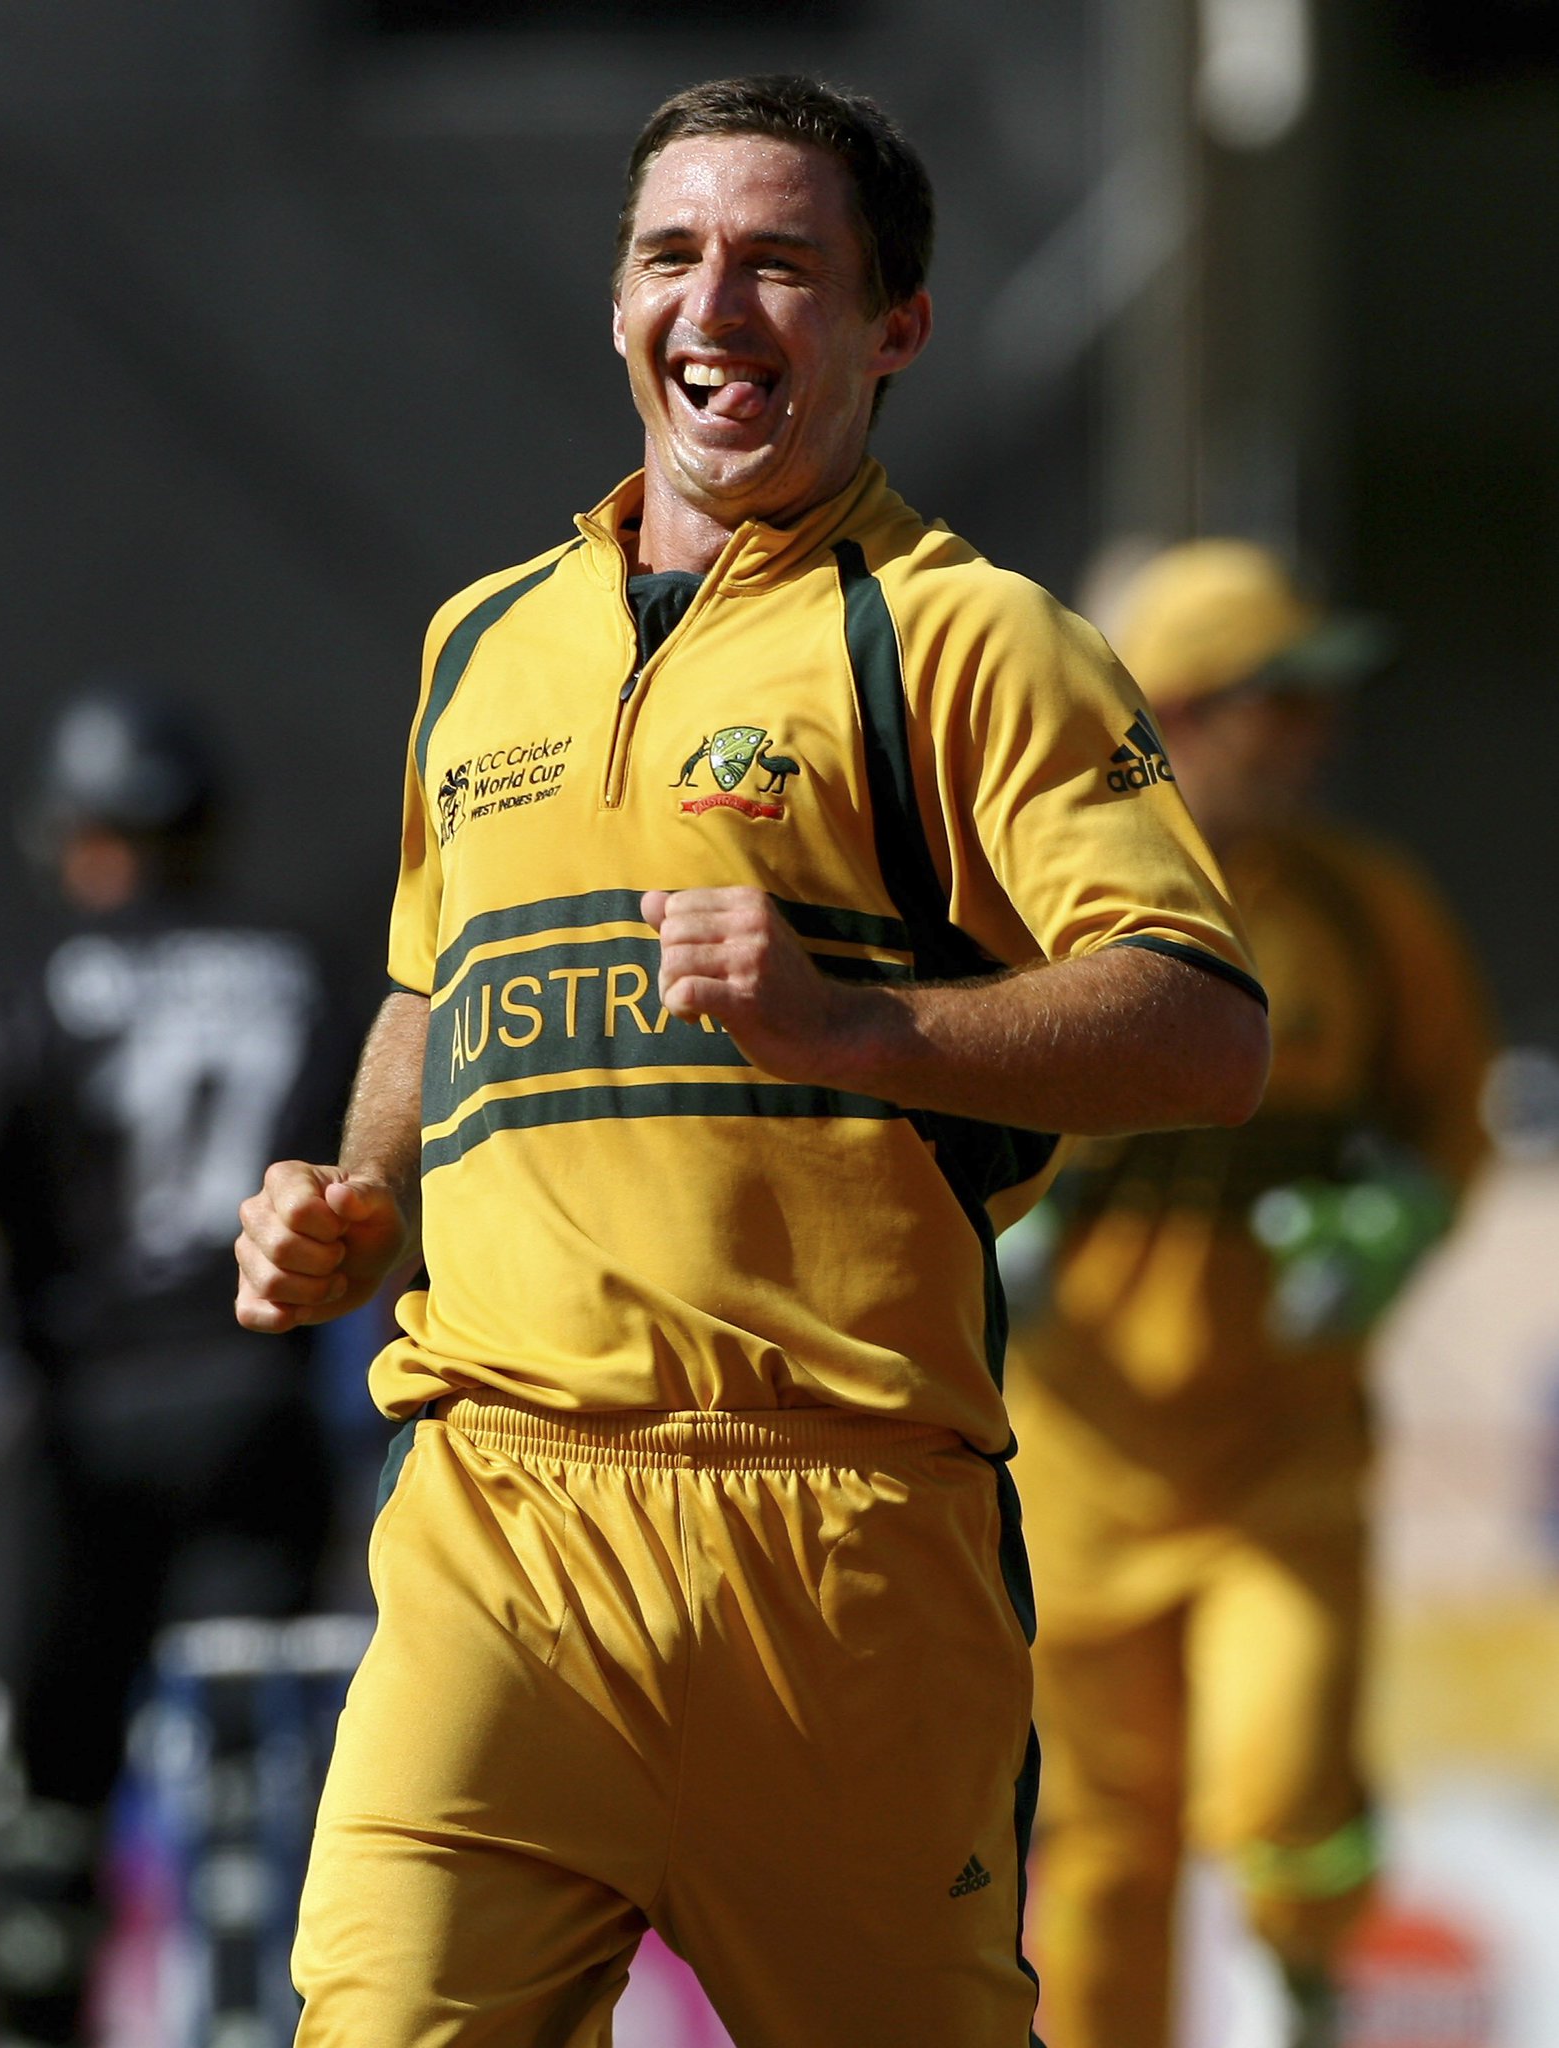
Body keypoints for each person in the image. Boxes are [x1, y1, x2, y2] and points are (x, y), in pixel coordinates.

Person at [233, 77, 1270, 2048]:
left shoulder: (975, 641)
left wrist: (849, 1023)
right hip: (499, 1513)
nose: (719, 304)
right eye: (672, 255)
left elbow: (1205, 1028)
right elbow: (432, 986)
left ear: (898, 326)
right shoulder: (480, 646)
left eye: (785, 263)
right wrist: (365, 1198)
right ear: (617, 303)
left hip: (847, 1544)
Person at [1002, 539, 1494, 2048]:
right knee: (1100, 1850)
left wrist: (1392, 1223)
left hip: (1282, 1458)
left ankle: (1303, 1992)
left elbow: (1447, 1114)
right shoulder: (1045, 902)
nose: (1310, 738)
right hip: (1076, 1473)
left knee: (1285, 1795)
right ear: (1171, 717)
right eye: (1272, 703)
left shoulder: (1360, 909)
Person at [0, 679, 346, 2047]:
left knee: (58, 1775)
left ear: (88, 836)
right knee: (255, 1759)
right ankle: (267, 2022)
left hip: (86, 1420)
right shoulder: (306, 969)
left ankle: (34, 2013)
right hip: (259, 1396)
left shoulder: (41, 981)